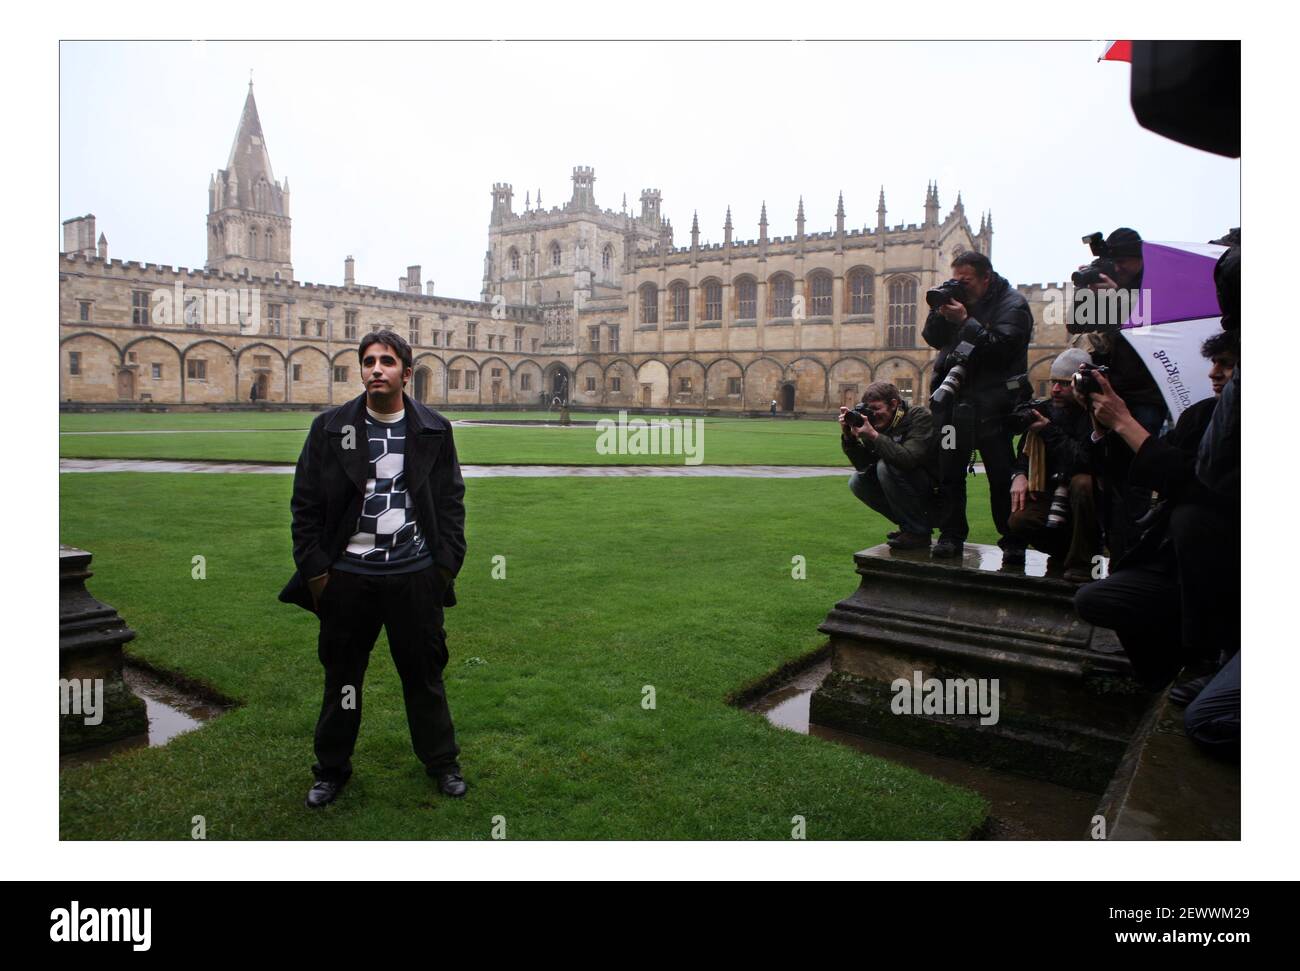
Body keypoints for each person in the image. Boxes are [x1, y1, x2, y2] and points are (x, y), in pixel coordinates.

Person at [278, 329, 468, 808]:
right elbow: (305, 506)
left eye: (386, 361)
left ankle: (442, 763)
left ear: (407, 372)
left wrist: (444, 566)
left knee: (424, 676)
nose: (375, 369)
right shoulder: (330, 427)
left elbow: (450, 502)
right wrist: (319, 574)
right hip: (349, 579)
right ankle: (331, 770)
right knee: (342, 680)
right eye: (368, 361)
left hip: (414, 576)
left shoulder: (433, 428)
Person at [1073, 330, 1239, 691]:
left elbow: (1195, 485)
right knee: (1096, 599)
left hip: (1227, 570)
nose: (1215, 372)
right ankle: (1163, 682)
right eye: (1214, 363)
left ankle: (1210, 661)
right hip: (1175, 567)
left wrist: (1125, 422)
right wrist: (1103, 426)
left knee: (1189, 517)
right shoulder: (1201, 415)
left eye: (1228, 364)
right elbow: (1134, 473)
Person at [923, 251, 1034, 558]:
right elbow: (932, 338)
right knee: (949, 471)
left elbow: (1002, 350)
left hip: (993, 406)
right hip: (952, 404)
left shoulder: (1013, 304)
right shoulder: (959, 302)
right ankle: (951, 535)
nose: (960, 286)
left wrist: (965, 321)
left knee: (1000, 475)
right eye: (955, 279)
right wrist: (940, 313)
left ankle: (1012, 539)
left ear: (986, 278)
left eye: (966, 281)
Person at [1071, 228, 1169, 561]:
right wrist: (1090, 296)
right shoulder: (1111, 285)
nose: (1120, 268)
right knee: (1107, 477)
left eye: (1123, 262)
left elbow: (1156, 338)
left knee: (1136, 478)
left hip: (1145, 395)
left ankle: (1132, 558)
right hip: (1112, 388)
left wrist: (1122, 300)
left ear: (1140, 259)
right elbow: (1077, 326)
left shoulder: (1157, 286)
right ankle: (1112, 552)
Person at [1005, 348, 1098, 581]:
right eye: (1053, 382)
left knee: (1083, 483)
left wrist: (1048, 431)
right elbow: (1024, 453)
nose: (1055, 389)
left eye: (1064, 383)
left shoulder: (1096, 415)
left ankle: (1081, 563)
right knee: (1019, 521)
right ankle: (1061, 552)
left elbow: (1084, 460)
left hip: (1085, 496)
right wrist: (1019, 474)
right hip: (1050, 490)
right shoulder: (1045, 409)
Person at [841, 381, 939, 551]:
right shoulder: (876, 423)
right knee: (857, 481)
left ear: (894, 404)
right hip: (907, 487)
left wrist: (873, 435)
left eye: (877, 408)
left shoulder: (918, 416)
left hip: (934, 490)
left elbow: (908, 459)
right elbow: (864, 466)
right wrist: (849, 438)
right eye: (869, 410)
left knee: (885, 467)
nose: (873, 414)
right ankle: (909, 527)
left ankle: (918, 532)